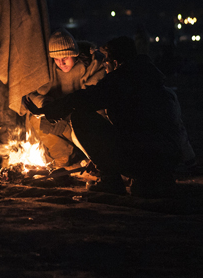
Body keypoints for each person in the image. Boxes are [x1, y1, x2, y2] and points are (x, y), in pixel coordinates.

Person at [26, 36, 191, 197]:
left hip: (142, 158)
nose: (104, 63)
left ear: (116, 62)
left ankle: (110, 181)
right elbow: (178, 128)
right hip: (167, 161)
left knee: (81, 116)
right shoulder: (157, 84)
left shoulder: (121, 80)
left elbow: (84, 99)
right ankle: (153, 179)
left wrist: (49, 110)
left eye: (106, 59)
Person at [26, 28, 105, 168]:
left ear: (74, 54)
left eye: (65, 59)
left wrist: (66, 113)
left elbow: (92, 99)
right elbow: (31, 93)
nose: (61, 63)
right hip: (61, 119)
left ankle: (100, 162)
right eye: (56, 59)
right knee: (35, 119)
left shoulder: (91, 68)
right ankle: (62, 157)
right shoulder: (48, 71)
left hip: (84, 122)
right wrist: (46, 105)